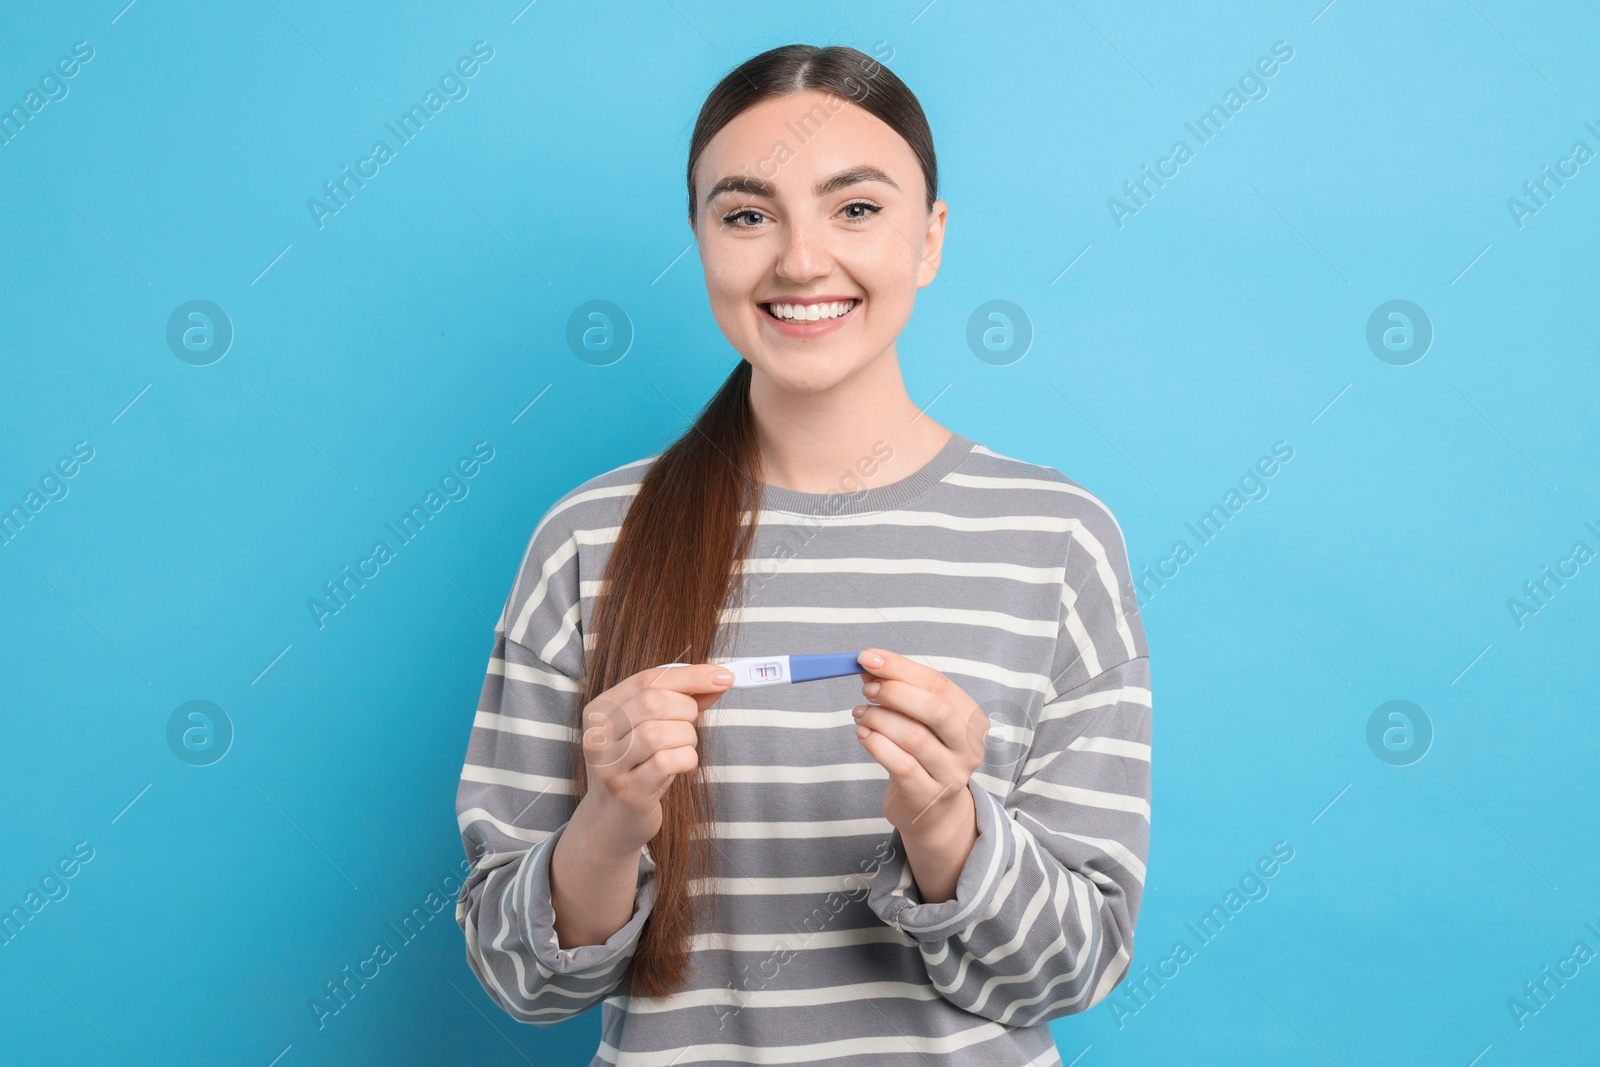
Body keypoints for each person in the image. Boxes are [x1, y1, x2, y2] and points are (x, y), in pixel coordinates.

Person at [455, 43, 1152, 1066]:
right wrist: (608, 819)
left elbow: (1073, 969)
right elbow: (517, 979)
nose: (798, 260)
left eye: (856, 208)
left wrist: (945, 824)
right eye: (746, 214)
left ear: (930, 238)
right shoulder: (586, 539)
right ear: (699, 240)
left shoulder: (1057, 539)